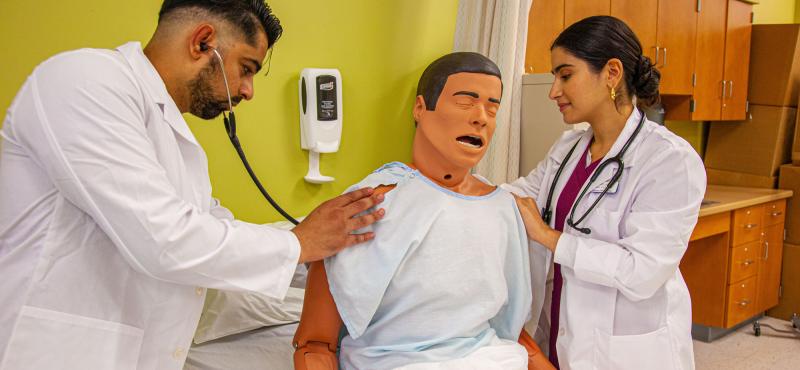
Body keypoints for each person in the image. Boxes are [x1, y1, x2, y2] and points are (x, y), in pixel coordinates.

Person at [0, 1, 384, 369]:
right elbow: (164, 238)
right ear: (203, 43)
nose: (248, 91)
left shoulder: (173, 136)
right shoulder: (84, 79)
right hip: (53, 352)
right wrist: (301, 243)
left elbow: (217, 231)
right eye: (247, 68)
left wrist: (329, 249)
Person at [296, 52, 553, 370]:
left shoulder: (502, 208)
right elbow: (316, 345)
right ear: (421, 108)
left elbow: (513, 336)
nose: (481, 117)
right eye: (465, 101)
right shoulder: (369, 206)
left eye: (493, 107)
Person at [506, 16, 705, 370]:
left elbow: (642, 271)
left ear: (611, 73)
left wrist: (551, 239)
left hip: (624, 352)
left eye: (565, 75)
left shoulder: (668, 160)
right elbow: (518, 196)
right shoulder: (569, 147)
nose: (553, 90)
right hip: (561, 330)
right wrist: (430, 187)